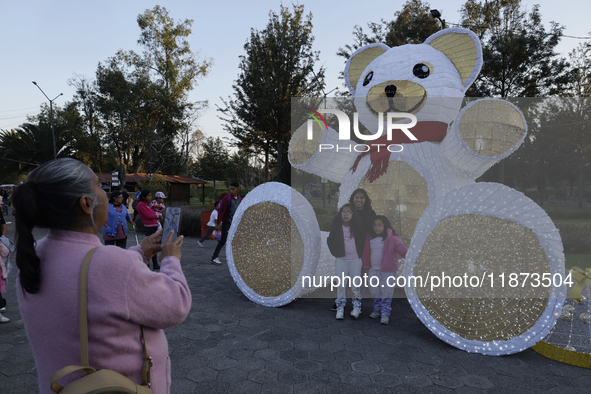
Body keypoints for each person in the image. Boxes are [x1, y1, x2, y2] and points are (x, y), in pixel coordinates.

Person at [12, 158, 189, 394]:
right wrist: (171, 259)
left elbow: (92, 273)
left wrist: (140, 252)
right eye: (100, 187)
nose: (108, 195)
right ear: (86, 203)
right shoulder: (110, 265)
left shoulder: (34, 256)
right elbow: (176, 304)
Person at [331, 188, 377, 312]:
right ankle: (340, 301)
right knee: (343, 277)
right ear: (353, 198)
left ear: (365, 200)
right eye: (357, 197)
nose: (359, 200)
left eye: (362, 198)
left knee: (359, 278)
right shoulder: (347, 211)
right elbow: (336, 229)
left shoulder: (370, 213)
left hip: (363, 249)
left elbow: (374, 229)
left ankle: (358, 301)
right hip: (347, 251)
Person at [362, 215, 408, 325]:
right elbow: (366, 253)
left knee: (386, 292)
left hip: (388, 271)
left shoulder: (392, 239)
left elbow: (401, 249)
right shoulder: (370, 238)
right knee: (374, 291)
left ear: (385, 226)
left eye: (379, 225)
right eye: (374, 225)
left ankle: (385, 313)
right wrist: (366, 267)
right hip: (373, 270)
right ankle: (377, 310)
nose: (376, 227)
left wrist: (410, 256)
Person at [327, 203, 365, 320]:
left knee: (355, 285)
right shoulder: (336, 226)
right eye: (343, 212)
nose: (346, 214)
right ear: (340, 214)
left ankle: (356, 306)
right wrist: (336, 253)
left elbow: (363, 241)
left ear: (353, 214)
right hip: (341, 260)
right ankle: (340, 307)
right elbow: (330, 240)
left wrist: (360, 254)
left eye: (348, 212)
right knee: (341, 285)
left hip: (355, 260)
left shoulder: (357, 227)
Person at [211, 183, 241, 265]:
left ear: (237, 189)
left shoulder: (239, 199)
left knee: (235, 240)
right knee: (223, 240)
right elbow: (221, 212)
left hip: (234, 224)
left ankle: (234, 258)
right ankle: (214, 257)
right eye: (230, 189)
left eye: (233, 189)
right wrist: (218, 224)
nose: (231, 191)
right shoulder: (226, 199)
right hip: (226, 223)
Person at [136, 189, 161, 270]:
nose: (151, 197)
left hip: (154, 225)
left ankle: (155, 264)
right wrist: (157, 216)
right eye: (149, 196)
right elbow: (148, 215)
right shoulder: (141, 204)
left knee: (154, 245)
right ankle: (147, 264)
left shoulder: (148, 204)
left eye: (151, 196)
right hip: (149, 226)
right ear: (143, 197)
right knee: (149, 246)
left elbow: (153, 212)